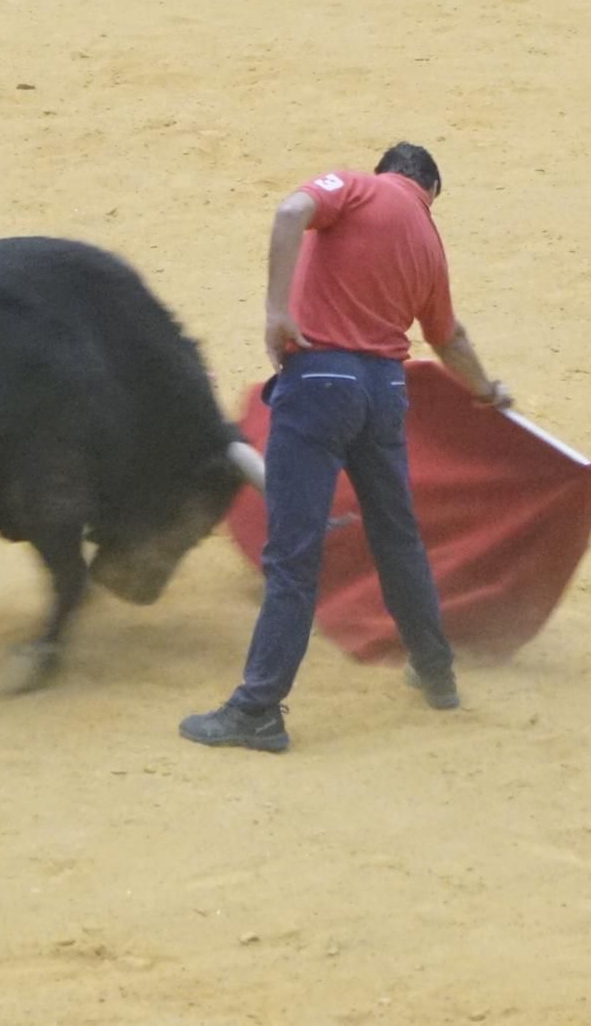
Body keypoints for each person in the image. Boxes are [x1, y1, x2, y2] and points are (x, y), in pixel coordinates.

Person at [180, 142, 512, 753]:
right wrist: (489, 392)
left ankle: (257, 709)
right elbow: (451, 339)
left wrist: (277, 311)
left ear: (391, 170)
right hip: (385, 392)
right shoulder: (430, 245)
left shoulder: (360, 186)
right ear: (430, 190)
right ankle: (436, 675)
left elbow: (289, 212)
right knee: (397, 535)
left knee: (294, 556)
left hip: (320, 386)